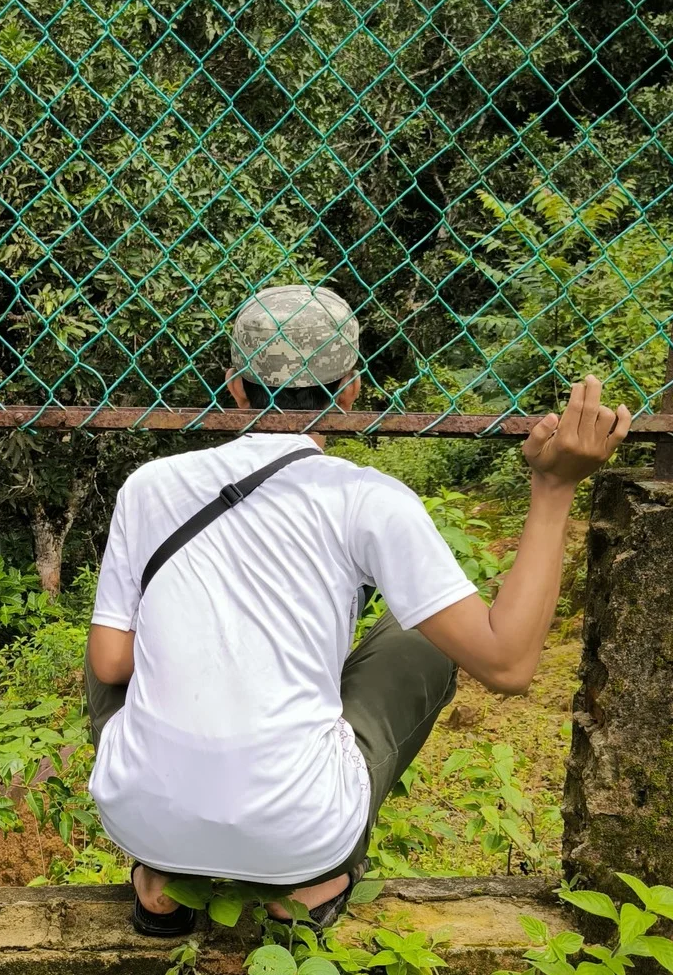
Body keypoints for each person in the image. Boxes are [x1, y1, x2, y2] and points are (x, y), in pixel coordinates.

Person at [85, 285, 631, 936]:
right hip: (301, 834)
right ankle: (311, 885)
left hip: (141, 819)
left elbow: (110, 665)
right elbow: (508, 665)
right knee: (422, 635)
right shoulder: (367, 498)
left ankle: (160, 879)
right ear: (351, 391)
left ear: (233, 386)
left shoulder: (150, 485)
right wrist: (554, 485)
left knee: (117, 627)